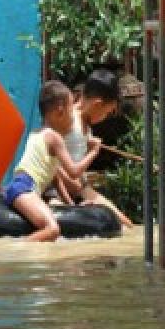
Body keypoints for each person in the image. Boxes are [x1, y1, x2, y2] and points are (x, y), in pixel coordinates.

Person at [1, 81, 103, 242]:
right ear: (60, 111)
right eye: (72, 110)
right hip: (25, 188)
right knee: (52, 230)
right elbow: (74, 172)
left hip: (21, 186)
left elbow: (56, 177)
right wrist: (93, 152)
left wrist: (72, 207)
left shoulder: (38, 133)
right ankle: (14, 250)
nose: (74, 116)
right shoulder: (55, 138)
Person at [53, 69, 134, 228]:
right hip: (59, 190)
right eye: (107, 112)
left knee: (127, 225)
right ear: (98, 104)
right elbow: (51, 161)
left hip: (80, 188)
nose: (106, 118)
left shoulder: (86, 125)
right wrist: (74, 188)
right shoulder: (67, 120)